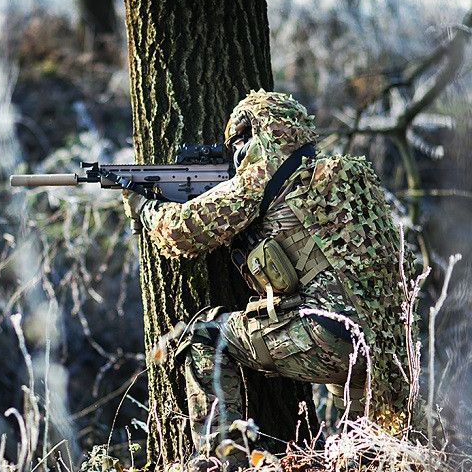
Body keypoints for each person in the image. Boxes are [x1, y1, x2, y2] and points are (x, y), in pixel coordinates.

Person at [123, 90, 411, 471]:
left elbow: (181, 231)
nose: (238, 155)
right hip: (381, 351)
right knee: (359, 455)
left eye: (240, 143)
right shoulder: (337, 181)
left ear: (257, 134)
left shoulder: (261, 176)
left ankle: (217, 458)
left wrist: (145, 210)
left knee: (202, 335)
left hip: (326, 338)